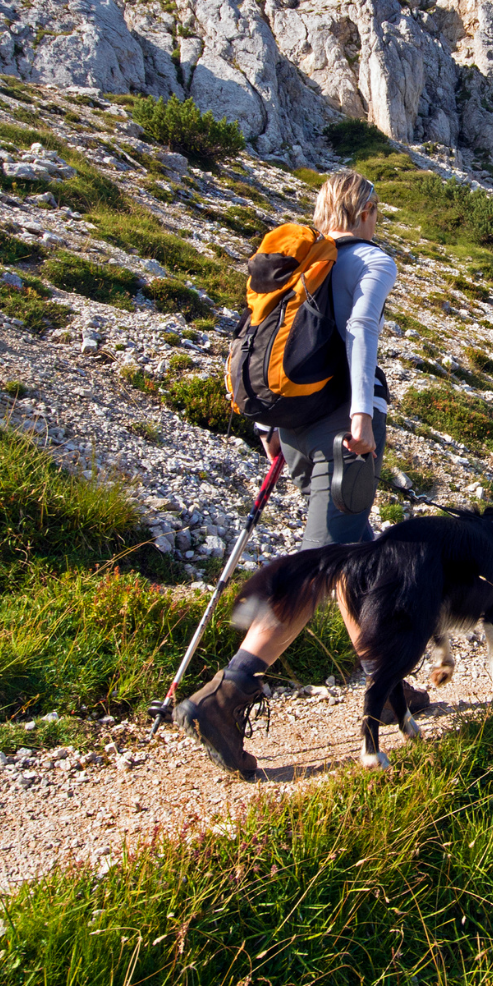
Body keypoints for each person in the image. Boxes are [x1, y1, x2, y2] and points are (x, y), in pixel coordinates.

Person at [175, 168, 418, 778]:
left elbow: (257, 346)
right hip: (345, 431)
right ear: (365, 211)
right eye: (377, 210)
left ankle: (386, 688)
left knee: (352, 557)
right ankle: (226, 696)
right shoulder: (368, 260)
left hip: (297, 429)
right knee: (320, 567)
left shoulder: (299, 265)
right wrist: (362, 413)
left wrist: (269, 433)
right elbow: (360, 330)